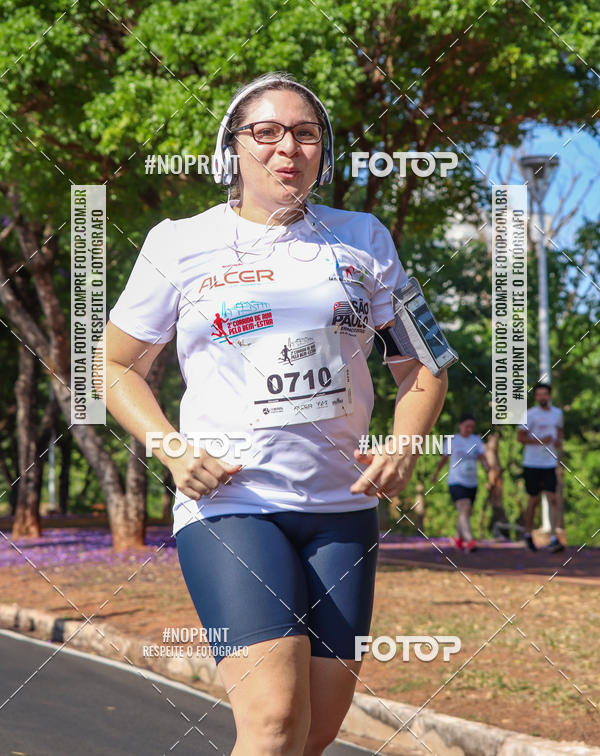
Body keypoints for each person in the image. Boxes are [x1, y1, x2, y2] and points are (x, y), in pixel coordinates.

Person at [102, 72, 449, 756]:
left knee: (314, 733)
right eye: (266, 132)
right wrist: (170, 449)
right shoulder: (179, 243)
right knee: (271, 722)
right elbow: (111, 367)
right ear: (233, 148)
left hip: (342, 510)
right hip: (233, 502)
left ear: (321, 150)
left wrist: (405, 443)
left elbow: (425, 362)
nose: (287, 147)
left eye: (305, 133)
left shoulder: (365, 238)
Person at [517, 382, 565, 553]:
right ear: (536, 397)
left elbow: (559, 432)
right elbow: (520, 438)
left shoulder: (557, 413)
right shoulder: (530, 415)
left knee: (553, 498)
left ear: (549, 395)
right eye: (539, 394)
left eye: (545, 394)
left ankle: (554, 537)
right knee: (534, 500)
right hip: (532, 463)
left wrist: (559, 443)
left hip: (549, 463)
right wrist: (539, 441)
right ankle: (529, 535)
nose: (542, 397)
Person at [432, 414, 489, 552]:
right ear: (460, 425)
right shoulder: (453, 441)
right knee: (465, 507)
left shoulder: (476, 440)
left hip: (472, 481)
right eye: (467, 426)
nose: (469, 429)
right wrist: (436, 473)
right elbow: (444, 458)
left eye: (472, 427)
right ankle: (470, 540)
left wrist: (488, 469)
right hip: (456, 480)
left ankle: (457, 538)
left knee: (466, 511)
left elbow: (482, 458)